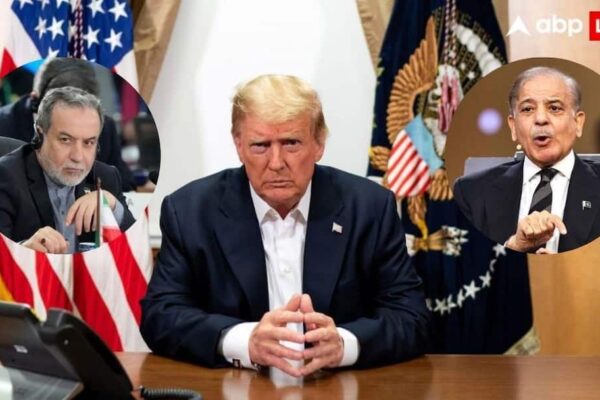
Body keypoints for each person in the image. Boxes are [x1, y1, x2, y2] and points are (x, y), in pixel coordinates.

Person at [141, 75, 429, 377]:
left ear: (319, 143)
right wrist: (244, 341)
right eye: (260, 145)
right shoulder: (191, 212)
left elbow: (411, 317)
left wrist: (343, 344)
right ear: (238, 145)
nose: (276, 162)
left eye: (291, 143)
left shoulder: (369, 208)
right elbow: (161, 316)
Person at [454, 66, 600, 253]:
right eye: (528, 109)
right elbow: (468, 262)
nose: (540, 119)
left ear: (578, 123)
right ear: (513, 127)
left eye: (554, 108)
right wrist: (513, 248)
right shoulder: (471, 192)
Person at [0, 86, 135, 253]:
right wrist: (23, 249)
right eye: (65, 140)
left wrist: (112, 205)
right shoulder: (6, 177)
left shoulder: (105, 177)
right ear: (40, 135)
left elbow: (135, 248)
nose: (78, 157)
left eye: (89, 142)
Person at [0, 57, 137, 191]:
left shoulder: (104, 126)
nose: (77, 156)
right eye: (65, 139)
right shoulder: (4, 125)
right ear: (35, 101)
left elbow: (124, 183)